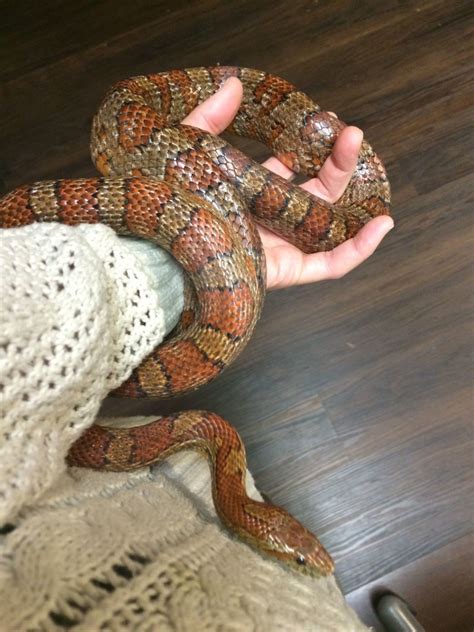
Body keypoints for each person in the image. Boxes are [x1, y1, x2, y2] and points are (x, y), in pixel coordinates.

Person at [0, 78, 392, 631]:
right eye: (298, 555)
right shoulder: (208, 439)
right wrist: (196, 262)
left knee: (328, 229)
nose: (312, 562)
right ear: (255, 525)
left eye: (298, 554)